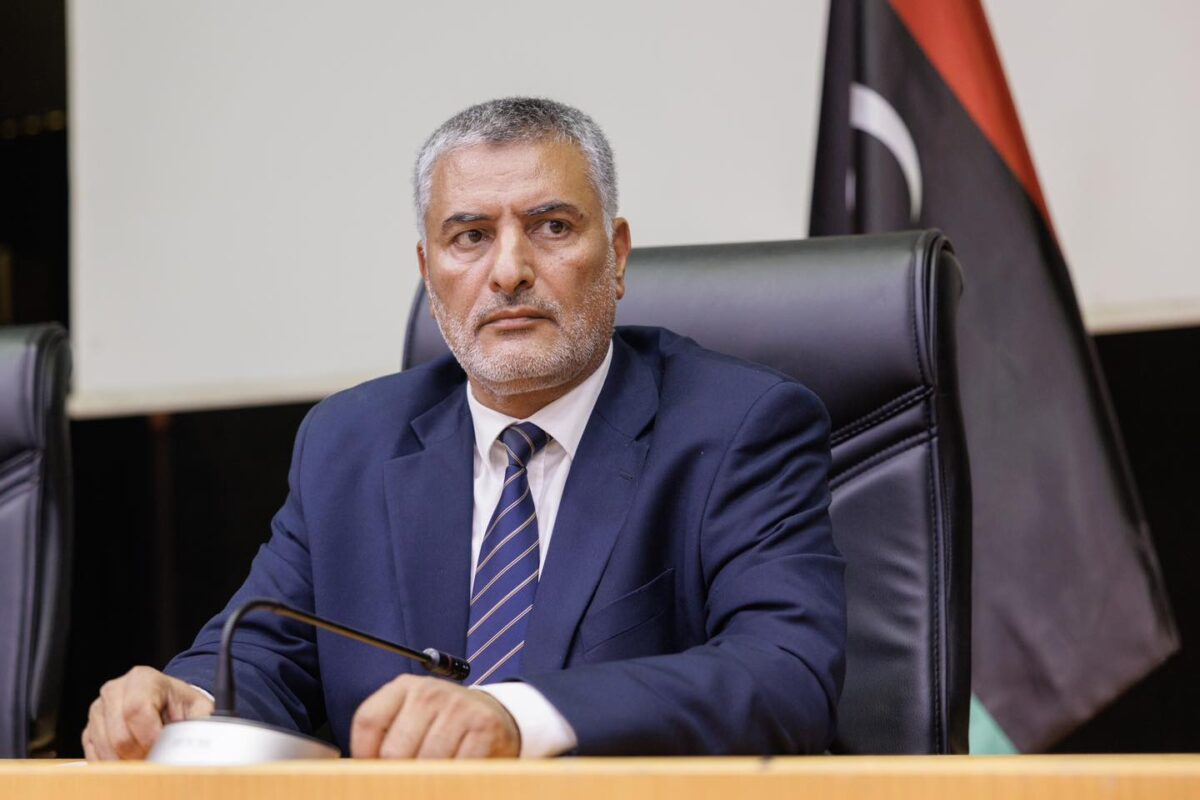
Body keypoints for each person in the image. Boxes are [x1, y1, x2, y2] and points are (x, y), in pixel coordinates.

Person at [82, 98, 846, 760]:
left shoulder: (737, 427)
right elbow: (262, 653)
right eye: (471, 236)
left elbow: (786, 675)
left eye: (551, 226)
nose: (509, 270)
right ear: (428, 271)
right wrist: (186, 703)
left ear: (616, 257)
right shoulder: (351, 442)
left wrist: (513, 716)